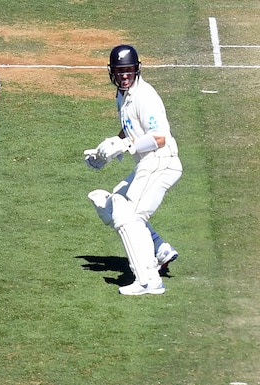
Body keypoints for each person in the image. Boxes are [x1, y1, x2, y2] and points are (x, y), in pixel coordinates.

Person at [84, 44, 182, 296]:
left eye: (128, 71)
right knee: (114, 204)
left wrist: (126, 146)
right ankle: (159, 249)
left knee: (131, 217)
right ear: (112, 72)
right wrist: (105, 150)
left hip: (162, 161)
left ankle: (149, 280)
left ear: (136, 70)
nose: (124, 75)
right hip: (147, 163)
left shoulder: (144, 96)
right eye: (119, 71)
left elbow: (159, 137)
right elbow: (129, 129)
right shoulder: (123, 95)